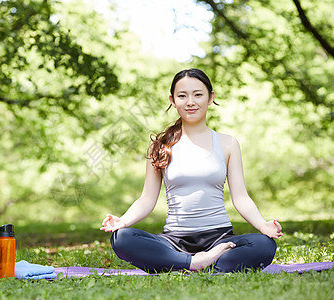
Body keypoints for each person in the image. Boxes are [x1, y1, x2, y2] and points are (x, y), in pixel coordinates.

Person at [100, 68, 283, 273]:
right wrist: (122, 221)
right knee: (122, 238)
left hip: (220, 240)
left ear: (210, 97)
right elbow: (147, 199)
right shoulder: (161, 147)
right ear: (172, 100)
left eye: (198, 94)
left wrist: (262, 226)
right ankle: (194, 263)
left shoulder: (228, 144)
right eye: (182, 95)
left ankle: (197, 263)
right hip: (174, 241)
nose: (190, 102)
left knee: (264, 245)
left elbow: (240, 197)